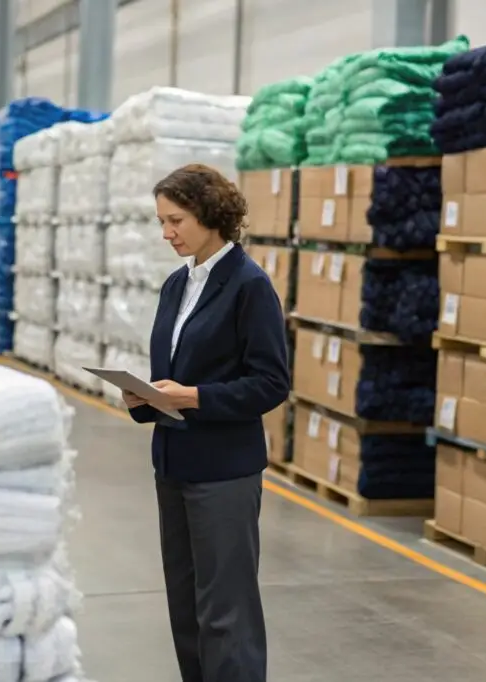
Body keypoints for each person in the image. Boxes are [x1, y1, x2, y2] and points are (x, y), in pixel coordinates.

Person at [124, 163, 290, 682]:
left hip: (223, 471)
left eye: (176, 220)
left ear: (211, 216)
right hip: (173, 463)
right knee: (186, 606)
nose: (166, 233)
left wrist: (194, 397)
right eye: (161, 221)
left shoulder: (248, 286)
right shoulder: (177, 285)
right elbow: (171, 372)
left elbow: (270, 383)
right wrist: (144, 400)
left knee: (226, 610)